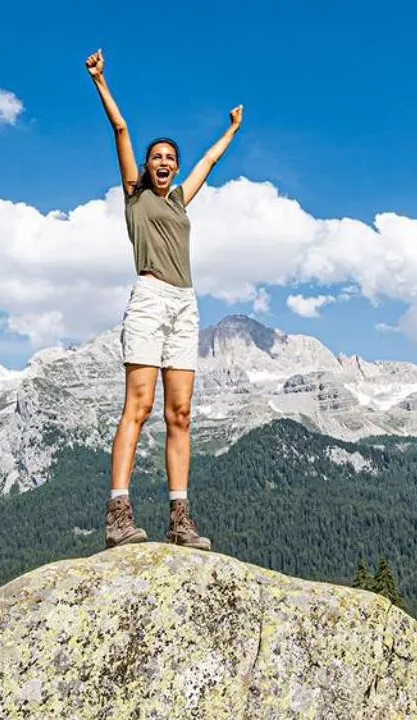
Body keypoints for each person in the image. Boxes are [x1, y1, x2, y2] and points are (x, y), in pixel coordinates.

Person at [86, 49, 242, 550]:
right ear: (146, 168)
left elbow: (210, 162)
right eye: (158, 158)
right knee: (140, 404)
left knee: (181, 414)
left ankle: (180, 519)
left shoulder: (178, 199)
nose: (165, 164)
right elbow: (121, 131)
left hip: (185, 303)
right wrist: (101, 81)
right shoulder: (136, 197)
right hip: (151, 297)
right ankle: (118, 514)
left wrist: (232, 130)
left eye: (170, 160)